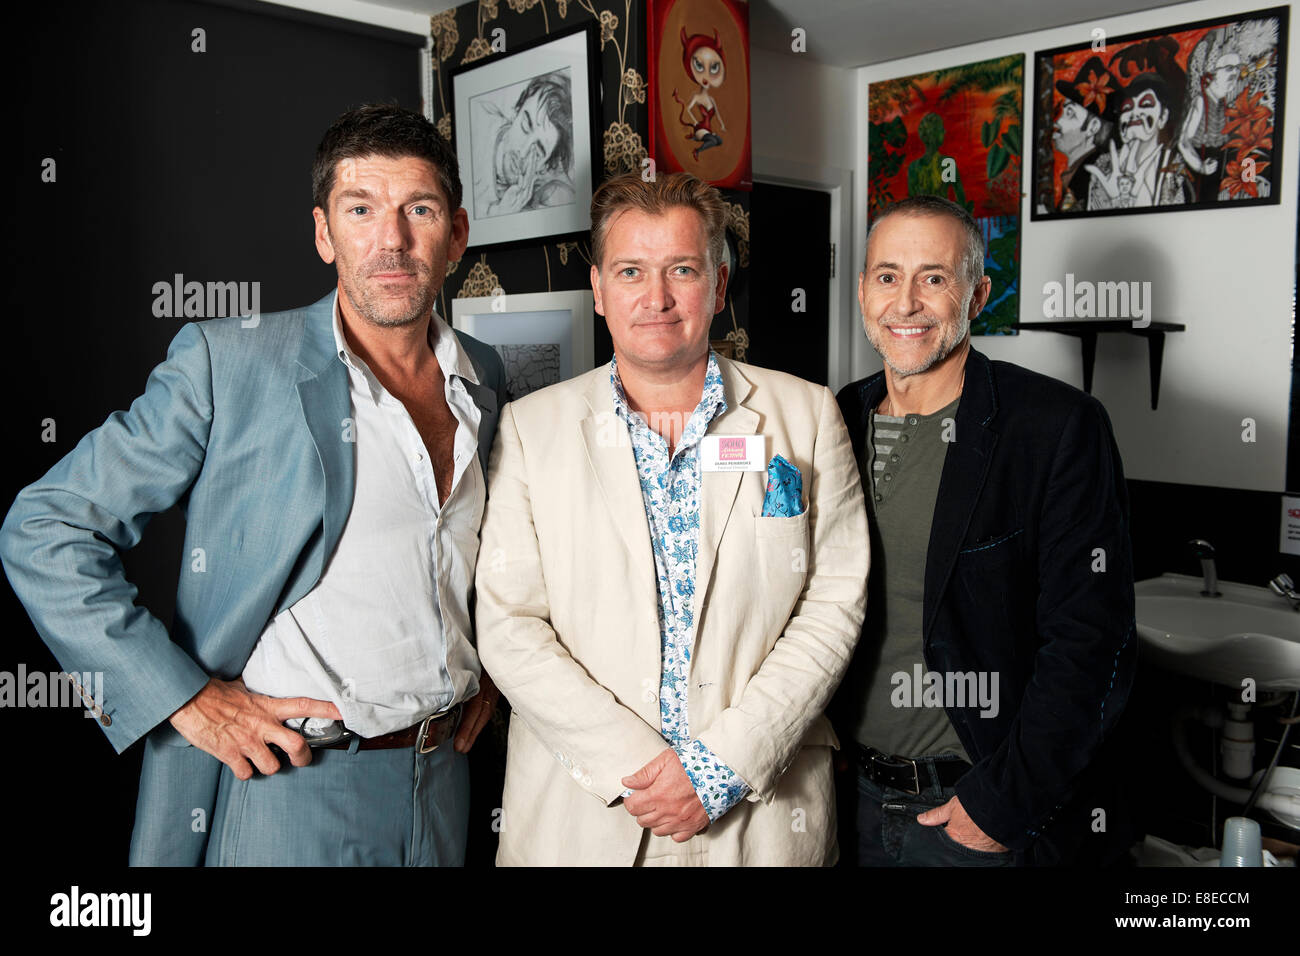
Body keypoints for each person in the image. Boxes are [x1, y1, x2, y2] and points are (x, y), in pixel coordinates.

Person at [0, 103, 508, 866]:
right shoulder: (228, 364)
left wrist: (489, 666)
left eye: (420, 210)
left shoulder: (487, 379)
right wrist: (185, 699)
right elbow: (46, 527)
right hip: (290, 788)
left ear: (457, 235)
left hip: (444, 784)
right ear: (322, 234)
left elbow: (472, 562)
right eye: (360, 209)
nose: (391, 240)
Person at [475, 171, 869, 866]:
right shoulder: (532, 430)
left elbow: (834, 602)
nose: (656, 298)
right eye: (631, 271)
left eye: (681, 270)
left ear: (718, 285)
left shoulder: (806, 417)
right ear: (599, 290)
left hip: (760, 812)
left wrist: (720, 765)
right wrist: (641, 766)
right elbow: (508, 624)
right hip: (588, 811)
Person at [834, 194, 1137, 866]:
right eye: (887, 276)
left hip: (971, 812)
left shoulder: (1053, 427)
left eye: (934, 278)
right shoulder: (836, 419)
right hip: (844, 800)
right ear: (862, 291)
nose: (906, 302)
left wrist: (1004, 803)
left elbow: (1092, 640)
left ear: (977, 295)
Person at [473, 69, 575, 219]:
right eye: (526, 125)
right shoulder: (477, 122)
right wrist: (499, 212)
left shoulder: (544, 192)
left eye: (538, 151)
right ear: (516, 112)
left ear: (544, 166)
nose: (523, 150)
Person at [1048, 56, 1116, 212]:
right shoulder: (1075, 173)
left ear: (1093, 127)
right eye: (1063, 111)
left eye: (1070, 113)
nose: (1057, 122)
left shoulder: (1093, 176)